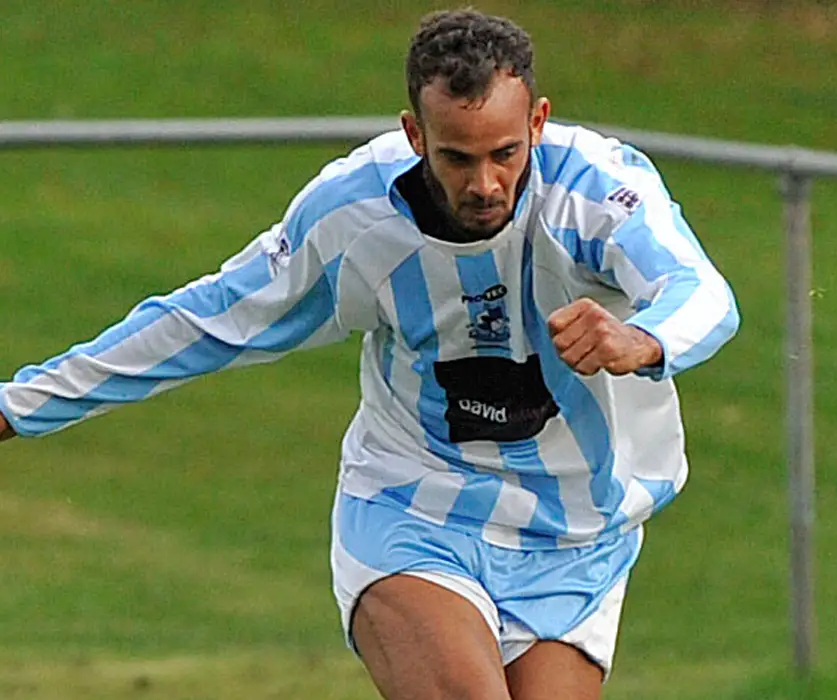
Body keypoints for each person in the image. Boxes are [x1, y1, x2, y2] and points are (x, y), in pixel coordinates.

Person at [0, 9, 739, 700]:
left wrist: (642, 339)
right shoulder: (355, 216)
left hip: (580, 532)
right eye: (456, 156)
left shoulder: (599, 191)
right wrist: (18, 406)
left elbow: (702, 292)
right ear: (415, 135)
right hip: (414, 505)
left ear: (538, 123)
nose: (484, 184)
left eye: (505, 154)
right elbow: (207, 321)